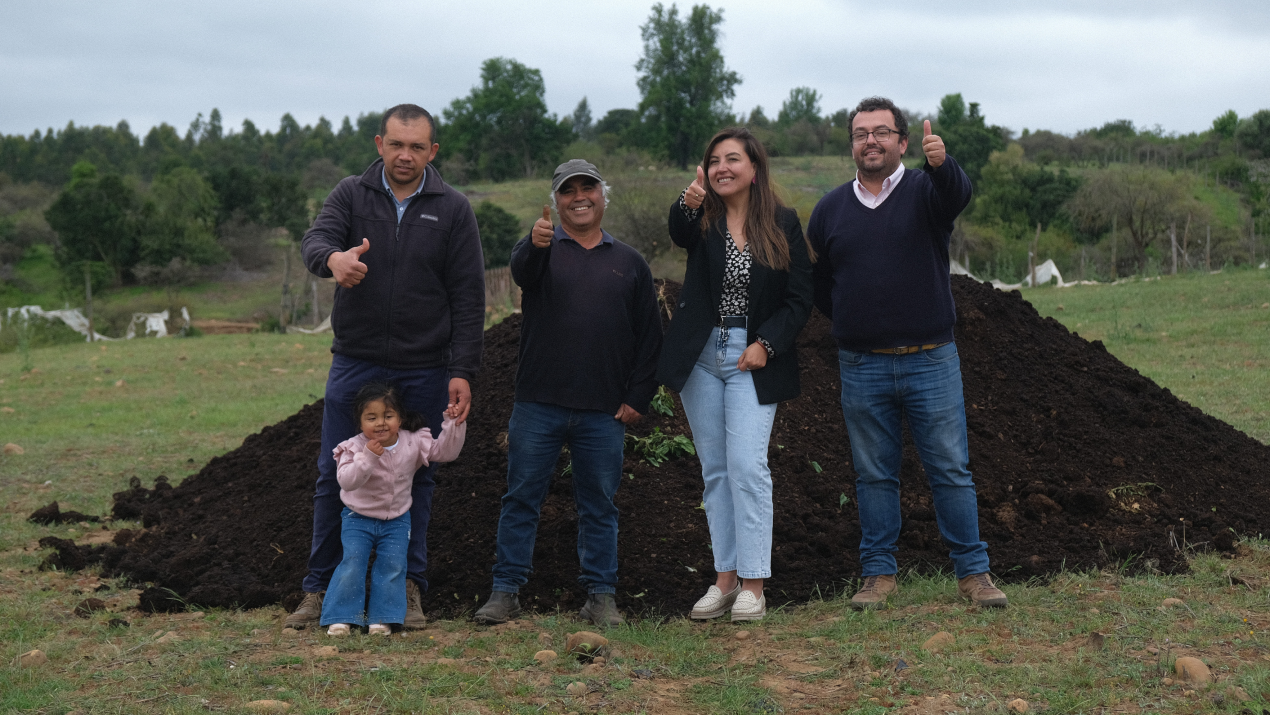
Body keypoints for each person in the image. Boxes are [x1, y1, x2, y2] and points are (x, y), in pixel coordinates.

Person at [290, 103, 486, 630]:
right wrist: (332, 260)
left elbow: (469, 296)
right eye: (396, 145)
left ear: (432, 151)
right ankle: (318, 588)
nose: (405, 155)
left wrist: (462, 368)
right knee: (335, 472)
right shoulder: (351, 194)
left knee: (419, 474)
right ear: (379, 144)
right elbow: (315, 241)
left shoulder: (452, 209)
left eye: (417, 147)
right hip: (356, 362)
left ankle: (407, 588)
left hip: (425, 366)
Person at [807, 96, 1007, 610]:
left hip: (930, 358)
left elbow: (956, 195)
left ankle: (973, 574)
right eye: (859, 133)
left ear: (901, 141)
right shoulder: (830, 209)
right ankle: (878, 575)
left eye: (880, 132)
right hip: (861, 364)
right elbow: (822, 284)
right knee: (873, 473)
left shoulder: (925, 190)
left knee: (950, 468)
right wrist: (856, 321)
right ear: (851, 143)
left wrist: (942, 164)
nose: (869, 141)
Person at [472, 160, 662, 628]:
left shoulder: (630, 262)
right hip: (538, 403)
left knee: (599, 503)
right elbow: (522, 272)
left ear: (603, 195)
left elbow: (650, 338)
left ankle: (600, 597)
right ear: (555, 202)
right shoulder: (539, 248)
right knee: (521, 498)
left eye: (588, 188)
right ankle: (506, 591)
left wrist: (637, 397)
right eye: (568, 191)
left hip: (603, 410)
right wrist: (534, 245)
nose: (579, 197)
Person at [656, 128, 814, 622]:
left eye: (733, 159)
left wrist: (766, 344)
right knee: (716, 471)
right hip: (702, 356)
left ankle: (753, 585)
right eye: (714, 160)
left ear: (753, 167)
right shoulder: (701, 218)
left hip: (752, 357)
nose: (723, 167)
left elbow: (799, 298)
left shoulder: (783, 223)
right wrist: (688, 201)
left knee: (748, 467)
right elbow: (677, 232)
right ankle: (724, 580)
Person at [321, 382, 466, 635]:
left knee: (392, 565)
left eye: (388, 416)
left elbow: (446, 452)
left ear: (400, 418)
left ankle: (383, 618)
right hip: (357, 518)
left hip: (397, 519)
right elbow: (346, 481)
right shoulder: (354, 447)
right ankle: (342, 617)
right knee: (353, 563)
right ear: (360, 421)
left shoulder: (413, 441)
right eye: (371, 417)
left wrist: (452, 424)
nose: (381, 423)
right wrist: (367, 457)